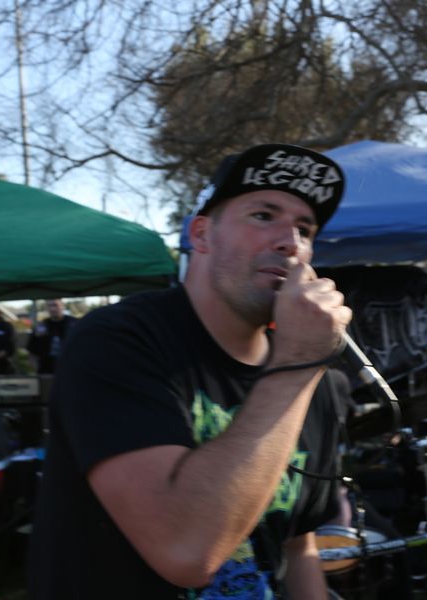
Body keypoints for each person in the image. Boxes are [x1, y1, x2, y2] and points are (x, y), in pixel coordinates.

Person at [29, 143, 351, 598]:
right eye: (263, 215)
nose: (290, 243)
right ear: (202, 235)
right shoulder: (118, 341)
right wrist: (297, 362)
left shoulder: (312, 380)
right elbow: (185, 552)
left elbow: (298, 548)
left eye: (305, 229)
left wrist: (301, 363)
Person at [26, 299, 77, 375]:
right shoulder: (41, 326)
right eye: (49, 306)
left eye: (55, 305)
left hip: (71, 370)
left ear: (62, 306)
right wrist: (38, 371)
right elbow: (32, 352)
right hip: (46, 371)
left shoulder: (74, 324)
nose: (52, 309)